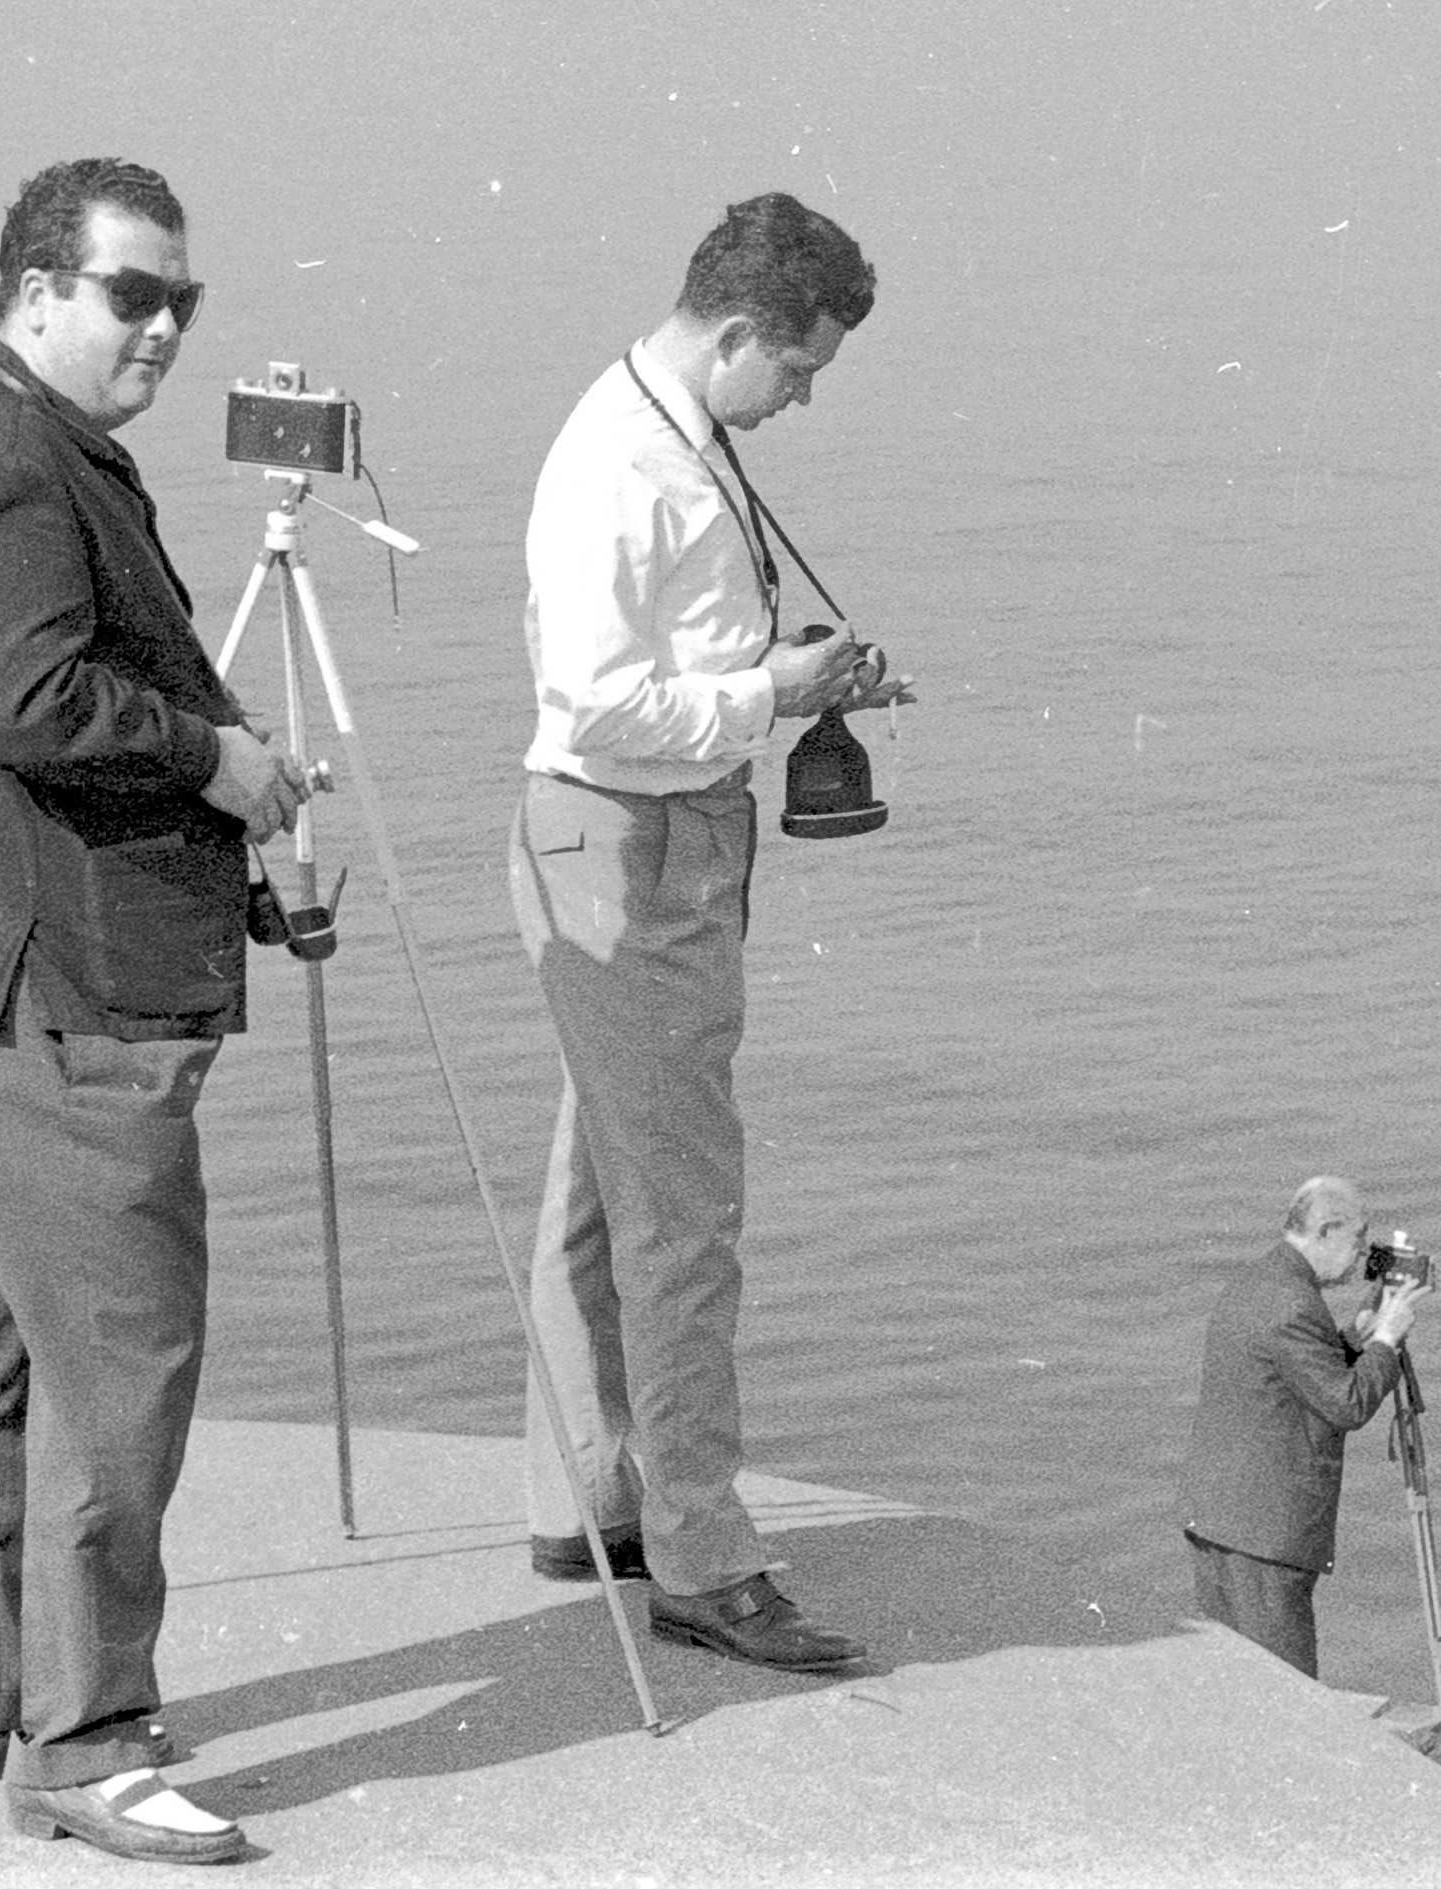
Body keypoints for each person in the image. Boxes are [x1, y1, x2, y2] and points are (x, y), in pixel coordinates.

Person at [0, 156, 310, 1865]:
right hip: (61, 991)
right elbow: (29, 694)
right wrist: (221, 757)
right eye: (133, 294)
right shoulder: (4, 456)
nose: (165, 328)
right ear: (38, 286)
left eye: (182, 300)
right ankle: (93, 1735)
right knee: (121, 1358)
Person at [507, 193, 906, 1670]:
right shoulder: (625, 462)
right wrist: (775, 696)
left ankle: (590, 1498)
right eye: (793, 372)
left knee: (606, 1190)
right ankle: (701, 1559)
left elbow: (652, 661)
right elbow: (597, 702)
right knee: (685, 1218)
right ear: (735, 330)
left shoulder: (661, 428)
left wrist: (775, 672)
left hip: (630, 839)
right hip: (631, 838)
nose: (796, 401)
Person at [1178, 1176, 1429, 1679]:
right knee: (1287, 1692)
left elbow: (1300, 1371)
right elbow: (1346, 1403)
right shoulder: (1293, 1304)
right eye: (1358, 1239)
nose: (1363, 1255)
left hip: (1224, 1520)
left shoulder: (1264, 1280)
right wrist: (1386, 1341)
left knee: (1237, 1682)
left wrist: (1357, 1339)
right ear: (1325, 1230)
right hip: (1262, 1536)